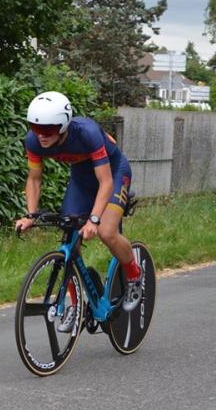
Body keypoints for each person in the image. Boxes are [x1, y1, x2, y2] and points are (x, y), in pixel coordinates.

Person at [14, 91, 142, 332]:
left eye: (48, 129)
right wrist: (31, 215)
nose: (41, 135)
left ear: (63, 125)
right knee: (69, 236)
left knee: (106, 232)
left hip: (113, 172)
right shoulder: (33, 141)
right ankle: (76, 304)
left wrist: (93, 219)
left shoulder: (87, 133)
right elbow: (34, 178)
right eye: (35, 127)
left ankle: (134, 275)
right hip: (81, 178)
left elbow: (105, 182)